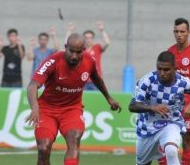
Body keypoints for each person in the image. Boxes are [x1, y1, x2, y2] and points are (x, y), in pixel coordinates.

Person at [26, 33, 121, 165]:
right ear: (66, 47)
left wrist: (108, 98)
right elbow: (32, 85)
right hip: (47, 110)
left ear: (84, 49)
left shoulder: (89, 61)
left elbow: (97, 78)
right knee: (43, 148)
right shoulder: (52, 61)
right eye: (71, 51)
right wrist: (35, 107)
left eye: (78, 52)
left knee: (74, 140)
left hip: (72, 110)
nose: (74, 56)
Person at [128, 51, 190, 165]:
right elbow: (132, 105)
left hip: (171, 123)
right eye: (159, 69)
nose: (162, 73)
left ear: (175, 68)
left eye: (166, 69)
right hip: (147, 129)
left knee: (171, 151)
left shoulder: (183, 82)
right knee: (143, 163)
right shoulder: (147, 81)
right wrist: (153, 108)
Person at [158, 18, 190, 165]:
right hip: (171, 103)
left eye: (182, 32)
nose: (179, 34)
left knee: (186, 141)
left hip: (188, 104)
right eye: (176, 31)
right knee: (164, 139)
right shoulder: (170, 52)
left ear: (189, 33)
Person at [66, 21, 111, 90]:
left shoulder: (97, 47)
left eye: (90, 38)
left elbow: (107, 43)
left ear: (93, 39)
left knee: (95, 100)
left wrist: (102, 30)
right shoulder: (79, 50)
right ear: (83, 39)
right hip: (82, 80)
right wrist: (69, 31)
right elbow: (67, 45)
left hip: (95, 81)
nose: (88, 40)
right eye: (86, 38)